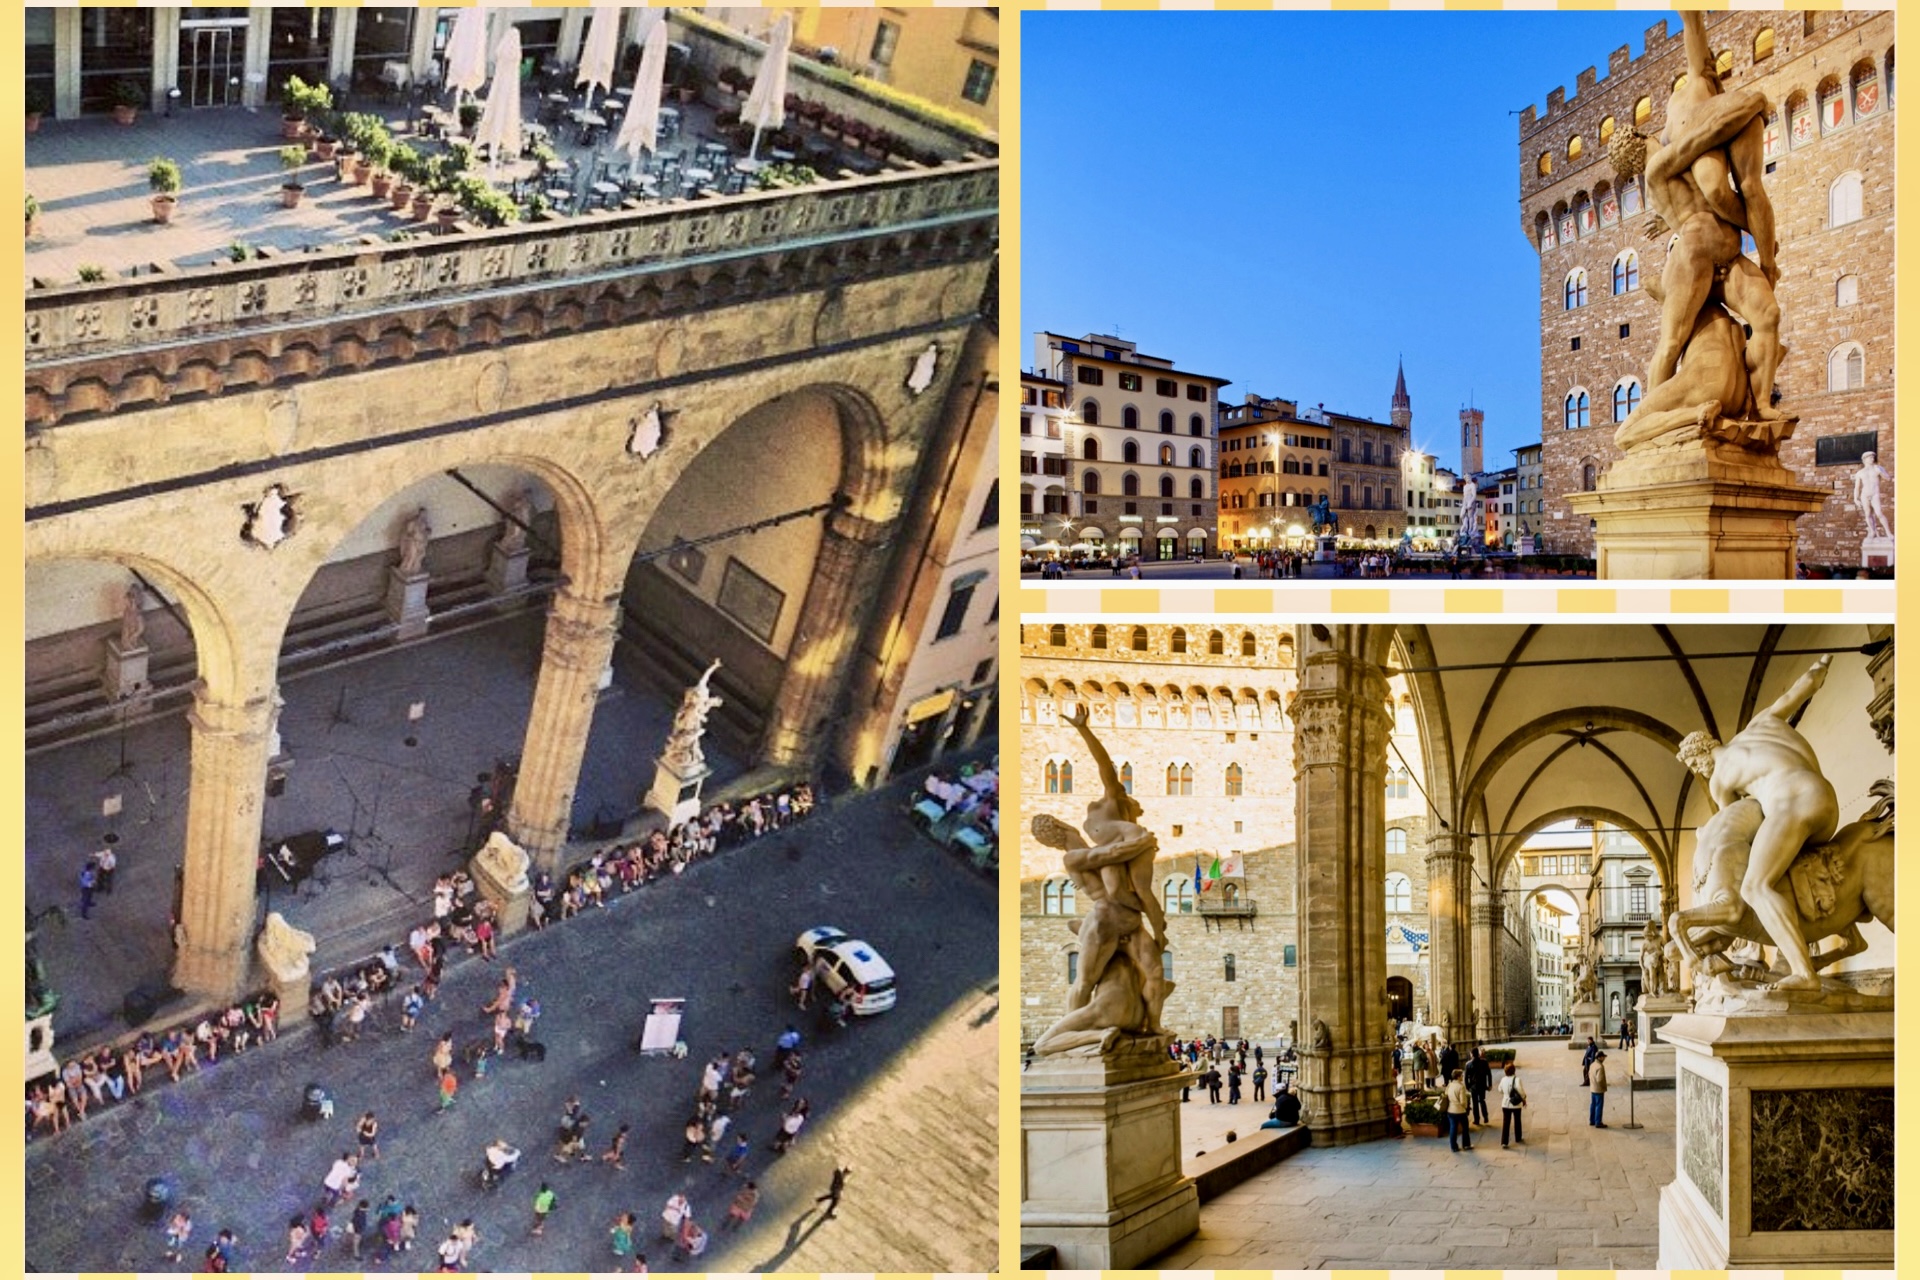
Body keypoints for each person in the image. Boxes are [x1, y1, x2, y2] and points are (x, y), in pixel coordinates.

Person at [1677, 656, 1839, 991]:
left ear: (1700, 755)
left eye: (1695, 764)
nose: (1699, 770)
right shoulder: (1757, 725)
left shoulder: (1719, 780)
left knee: (1754, 886)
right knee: (1779, 869)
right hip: (1824, 797)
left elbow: (1737, 825)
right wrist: (1820, 667)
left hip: (1791, 805)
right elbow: (1796, 693)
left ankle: (1803, 972)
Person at [1498, 1063, 1527, 1148]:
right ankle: (1518, 1137)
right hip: (1515, 1104)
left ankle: (1504, 1141)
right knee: (1517, 1120)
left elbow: (1499, 1089)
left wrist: (1505, 1093)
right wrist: (1524, 1098)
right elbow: (1521, 1091)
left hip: (1505, 1104)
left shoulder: (1503, 1079)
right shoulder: (1517, 1079)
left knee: (1506, 1122)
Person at [1444, 1068, 1472, 1151]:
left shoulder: (1449, 1085)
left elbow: (1446, 1095)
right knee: (1465, 1128)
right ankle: (1466, 1145)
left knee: (1453, 1128)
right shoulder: (1461, 1087)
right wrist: (1466, 1107)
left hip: (1450, 1110)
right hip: (1460, 1111)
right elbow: (1463, 1101)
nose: (1462, 1077)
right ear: (1458, 1076)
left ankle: (1453, 1146)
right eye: (1461, 1075)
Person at [1464, 1049, 1492, 1126]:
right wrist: (1490, 1084)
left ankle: (1477, 1119)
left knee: (1475, 1103)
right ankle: (1485, 1116)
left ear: (1472, 1054)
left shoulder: (1468, 1064)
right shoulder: (1484, 1062)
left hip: (1473, 1086)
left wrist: (1467, 1086)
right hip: (1482, 1085)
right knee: (1482, 1101)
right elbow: (1489, 1074)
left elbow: (1466, 1077)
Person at [1589, 1051, 1610, 1128]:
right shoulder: (1600, 1067)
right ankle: (1598, 1122)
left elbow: (1589, 1074)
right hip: (1598, 1089)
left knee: (1593, 1104)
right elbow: (1600, 1080)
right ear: (1600, 1057)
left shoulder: (1592, 1065)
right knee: (1599, 1105)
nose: (1604, 1058)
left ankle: (1592, 1120)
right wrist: (1603, 1087)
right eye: (1603, 1057)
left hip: (1593, 1088)